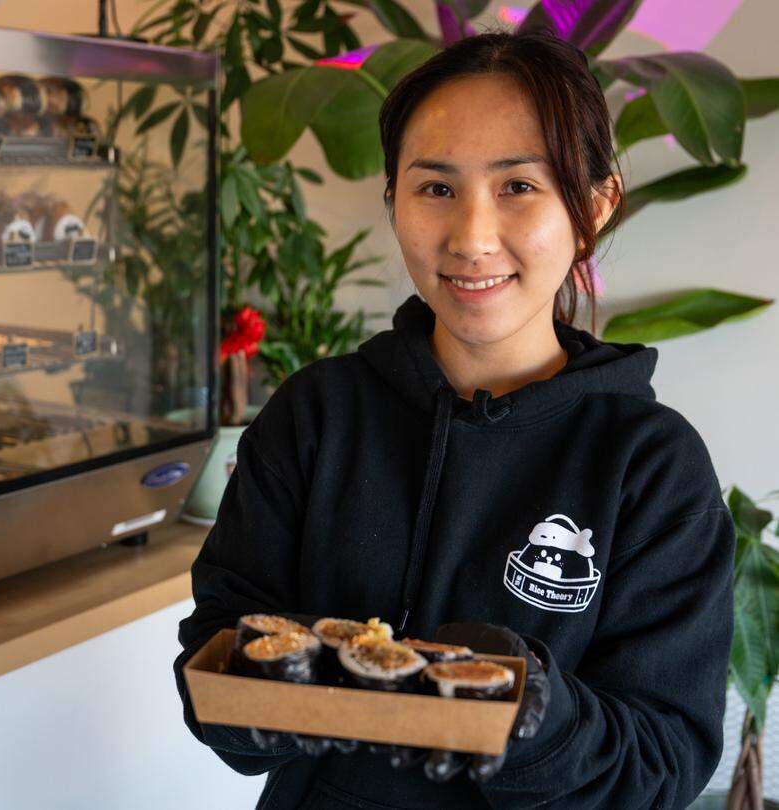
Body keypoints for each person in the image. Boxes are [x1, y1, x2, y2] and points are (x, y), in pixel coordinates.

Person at [172, 27, 736, 810]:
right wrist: (260, 690)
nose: (472, 238)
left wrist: (529, 715)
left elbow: (661, 763)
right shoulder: (316, 417)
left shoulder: (651, 466)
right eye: (435, 187)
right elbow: (218, 659)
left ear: (595, 207)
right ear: (395, 200)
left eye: (519, 186)